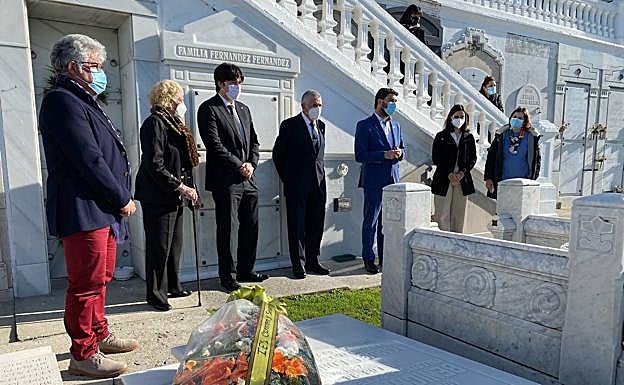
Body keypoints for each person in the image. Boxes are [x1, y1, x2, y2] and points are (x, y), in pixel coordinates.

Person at [39, 34, 138, 378]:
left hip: (100, 209)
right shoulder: (61, 101)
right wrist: (121, 197)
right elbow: (89, 159)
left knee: (100, 279)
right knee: (85, 284)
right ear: (73, 67)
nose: (100, 73)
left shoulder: (83, 100)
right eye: (94, 67)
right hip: (84, 209)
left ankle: (99, 335)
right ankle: (83, 353)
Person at [197, 62, 268, 292]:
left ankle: (247, 269)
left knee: (252, 225)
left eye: (240, 83)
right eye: (233, 83)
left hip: (248, 178)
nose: (238, 87)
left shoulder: (244, 109)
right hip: (226, 180)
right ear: (221, 83)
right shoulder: (209, 109)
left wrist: (251, 164)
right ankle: (227, 276)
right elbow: (214, 145)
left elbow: (254, 141)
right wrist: (239, 165)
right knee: (227, 228)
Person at [135, 80, 200, 311]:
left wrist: (190, 188)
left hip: (175, 194)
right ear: (169, 99)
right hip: (158, 194)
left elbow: (181, 162)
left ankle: (173, 285)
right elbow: (155, 164)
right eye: (180, 98)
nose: (183, 103)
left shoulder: (175, 124)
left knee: (174, 244)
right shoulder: (155, 123)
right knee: (159, 246)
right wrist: (180, 187)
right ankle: (156, 295)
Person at [273, 90, 330, 279]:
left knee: (316, 223)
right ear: (303, 106)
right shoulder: (290, 125)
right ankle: (298, 263)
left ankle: (313, 260)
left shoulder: (321, 126)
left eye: (320, 105)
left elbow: (318, 156)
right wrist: (288, 178)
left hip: (318, 183)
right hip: (297, 184)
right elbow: (278, 155)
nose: (317, 108)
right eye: (314, 105)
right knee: (297, 225)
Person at [355, 88, 405, 274]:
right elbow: (360, 155)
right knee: (371, 222)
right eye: (390, 101)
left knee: (388, 223)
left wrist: (399, 154)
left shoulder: (397, 125)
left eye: (395, 102)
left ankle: (386, 258)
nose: (393, 105)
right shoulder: (365, 125)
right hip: (374, 181)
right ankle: (368, 258)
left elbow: (403, 149)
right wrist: (383, 154)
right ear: (379, 101)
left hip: (393, 181)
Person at [431, 105, 477, 233]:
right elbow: (436, 157)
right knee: (442, 214)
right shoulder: (441, 136)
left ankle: (457, 243)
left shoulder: (469, 137)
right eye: (456, 116)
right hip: (444, 179)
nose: (459, 119)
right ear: (450, 117)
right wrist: (449, 173)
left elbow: (472, 158)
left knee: (459, 215)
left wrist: (462, 172)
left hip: (462, 180)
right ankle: (443, 243)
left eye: (462, 117)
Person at [484, 107, 542, 199]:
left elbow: (536, 160)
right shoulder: (502, 134)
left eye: (520, 118)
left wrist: (532, 178)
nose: (516, 120)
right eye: (514, 117)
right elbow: (491, 156)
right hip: (502, 180)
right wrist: (488, 177)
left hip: (522, 183)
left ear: (525, 121)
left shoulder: (531, 137)